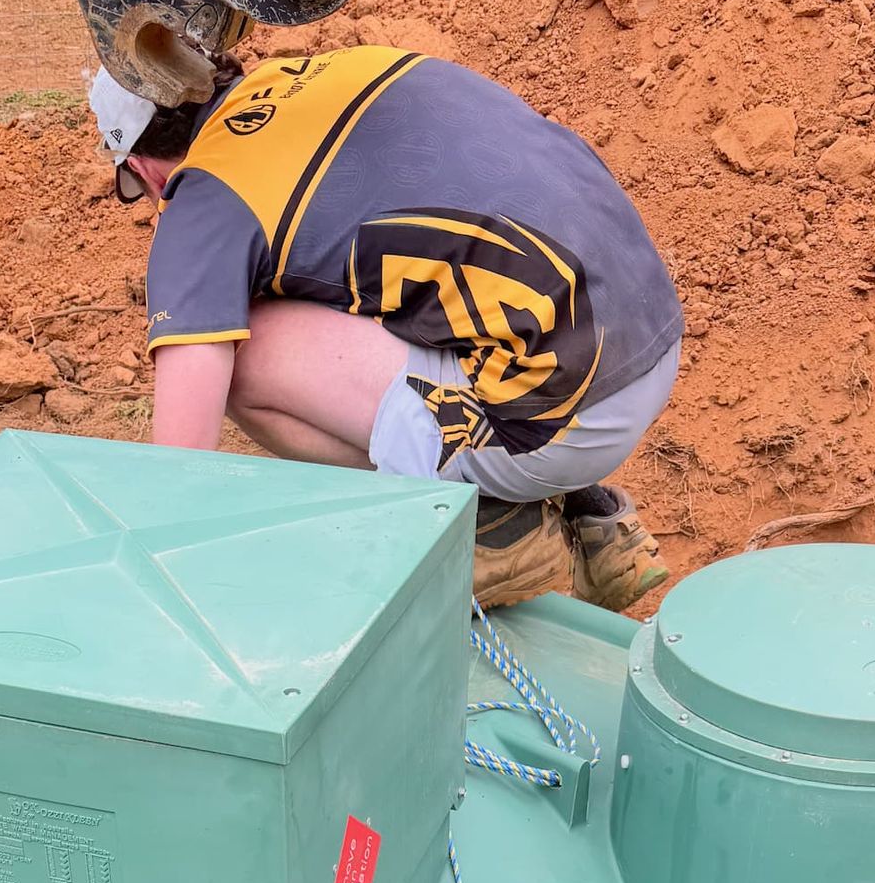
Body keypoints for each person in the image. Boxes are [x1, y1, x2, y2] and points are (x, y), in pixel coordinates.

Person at [88, 44, 682, 608]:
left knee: (240, 352)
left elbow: (180, 466)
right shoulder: (329, 74)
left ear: (145, 169)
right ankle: (585, 513)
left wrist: (133, 586)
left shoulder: (203, 199)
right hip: (650, 331)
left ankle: (499, 527)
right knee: (380, 272)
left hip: (560, 419)